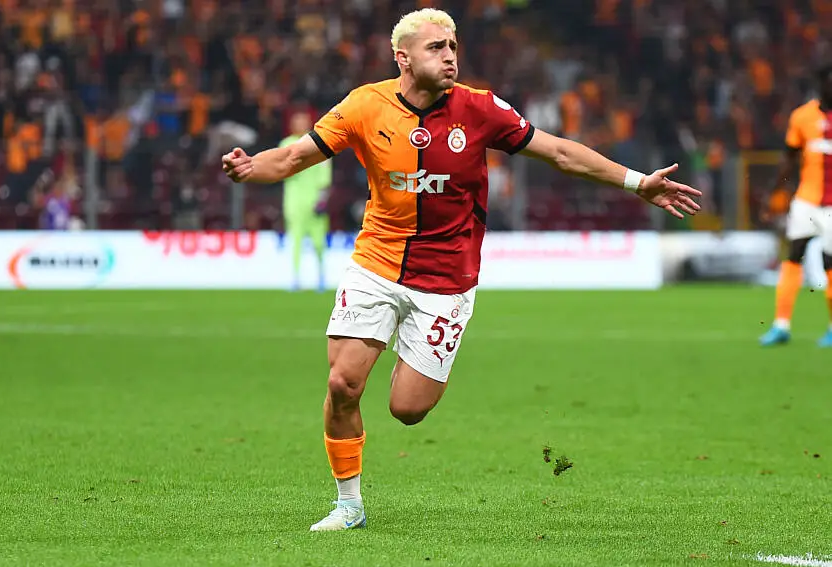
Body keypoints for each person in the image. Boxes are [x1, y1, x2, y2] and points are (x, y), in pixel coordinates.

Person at [222, 8, 701, 531]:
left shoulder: (480, 109)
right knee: (342, 385)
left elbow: (560, 153)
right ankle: (349, 504)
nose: (450, 55)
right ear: (402, 58)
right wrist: (251, 168)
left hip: (446, 283)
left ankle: (422, 365)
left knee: (407, 409)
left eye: (453, 46)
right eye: (436, 48)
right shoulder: (364, 105)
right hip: (376, 263)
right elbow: (293, 159)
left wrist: (637, 183)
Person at [760, 64, 832, 348]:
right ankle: (781, 325)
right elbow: (789, 156)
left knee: (830, 263)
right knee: (793, 255)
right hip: (806, 200)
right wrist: (774, 191)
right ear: (821, 84)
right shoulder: (802, 117)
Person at [279, 110, 332, 291]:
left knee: (319, 242)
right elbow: (279, 170)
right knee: (296, 240)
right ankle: (295, 279)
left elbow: (325, 175)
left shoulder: (318, 143)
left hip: (314, 200)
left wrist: (322, 199)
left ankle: (321, 277)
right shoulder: (286, 144)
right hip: (294, 201)